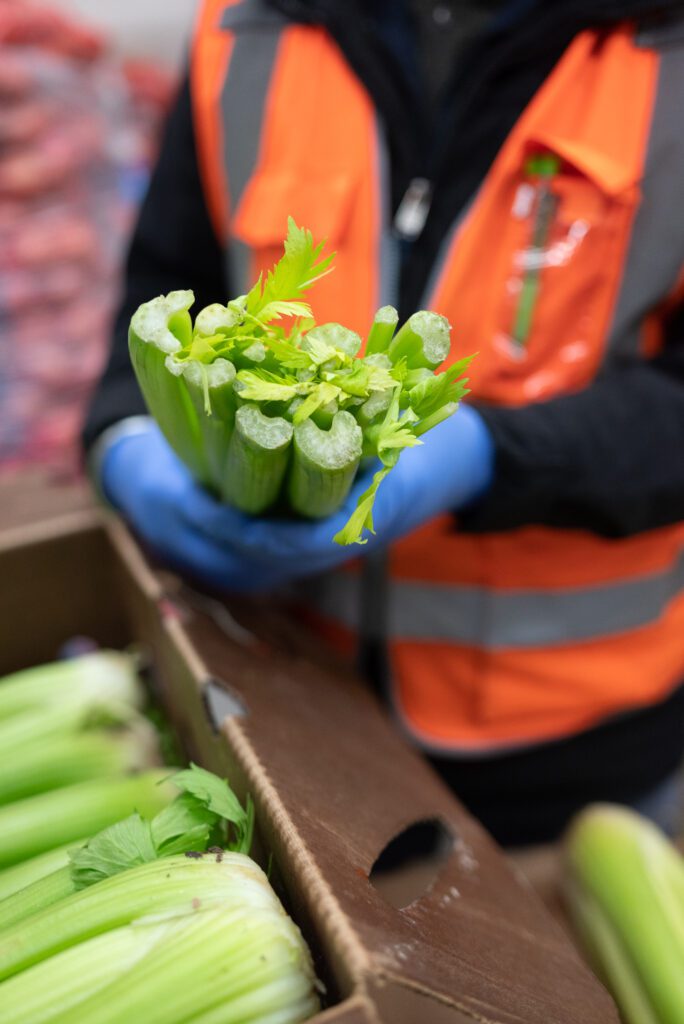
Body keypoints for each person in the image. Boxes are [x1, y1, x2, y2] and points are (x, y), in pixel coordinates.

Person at [83, 0, 684, 847]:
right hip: (283, 704)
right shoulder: (246, 26)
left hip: (570, 761)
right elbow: (156, 300)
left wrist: (491, 456)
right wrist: (130, 449)